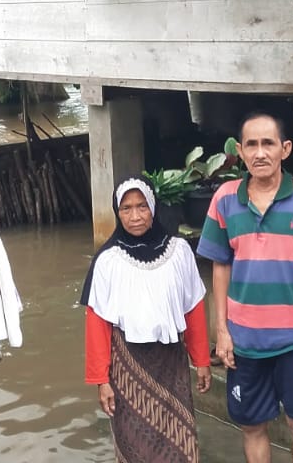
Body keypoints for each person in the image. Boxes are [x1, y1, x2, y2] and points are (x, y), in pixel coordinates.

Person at [197, 112, 293, 463]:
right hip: (244, 342)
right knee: (252, 425)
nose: (260, 153)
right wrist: (222, 331)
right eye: (251, 145)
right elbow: (220, 266)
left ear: (285, 149)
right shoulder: (225, 199)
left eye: (268, 143)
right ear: (240, 152)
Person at [81, 178, 211, 462]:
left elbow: (194, 308)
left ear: (153, 208)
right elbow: (97, 323)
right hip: (127, 365)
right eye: (126, 208)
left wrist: (201, 360)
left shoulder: (179, 252)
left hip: (171, 362)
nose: (135, 216)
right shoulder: (107, 260)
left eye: (142, 206)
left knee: (180, 438)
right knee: (133, 440)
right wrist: (101, 380)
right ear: (117, 212)